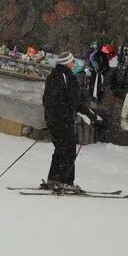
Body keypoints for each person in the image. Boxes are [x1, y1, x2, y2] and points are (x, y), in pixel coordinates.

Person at [42, 52, 100, 191]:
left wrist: (51, 115)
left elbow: (47, 99)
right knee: (68, 150)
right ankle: (65, 181)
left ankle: (54, 178)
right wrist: (88, 113)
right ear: (67, 62)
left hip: (52, 118)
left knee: (60, 148)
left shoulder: (52, 76)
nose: (74, 64)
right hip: (63, 120)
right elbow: (73, 100)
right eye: (73, 61)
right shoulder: (68, 77)